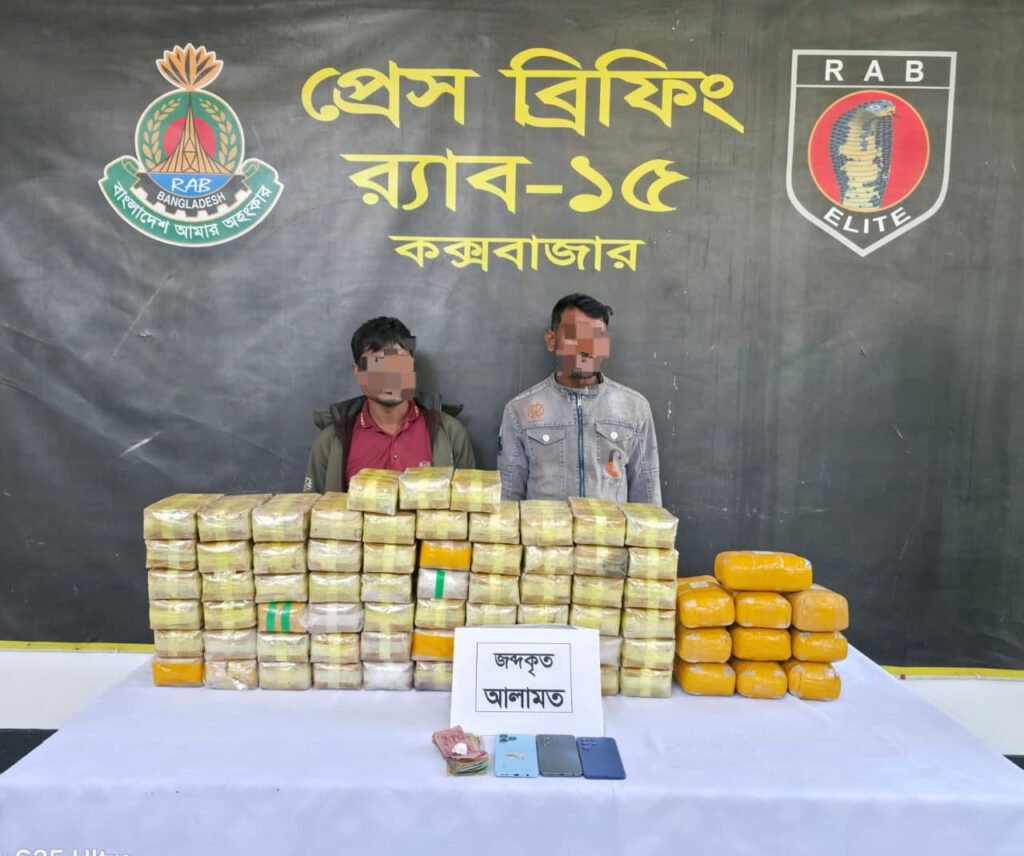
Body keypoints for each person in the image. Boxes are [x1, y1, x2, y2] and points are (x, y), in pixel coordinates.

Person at [498, 293, 661, 503]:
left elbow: (648, 501)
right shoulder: (519, 410)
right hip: (546, 526)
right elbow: (508, 501)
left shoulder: (635, 409)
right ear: (551, 341)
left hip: (609, 526)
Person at [304, 316, 475, 492]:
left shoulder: (451, 434)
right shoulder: (329, 442)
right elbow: (312, 506)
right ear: (357, 371)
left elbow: (470, 503)